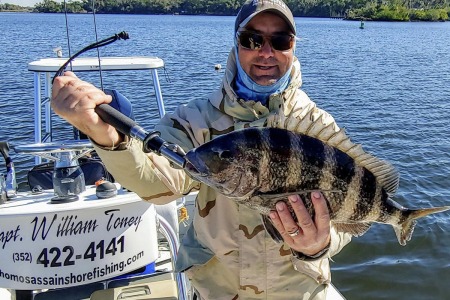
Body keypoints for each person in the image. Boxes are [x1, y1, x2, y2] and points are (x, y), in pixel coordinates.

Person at [51, 0, 352, 299]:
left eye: (280, 40)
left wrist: (321, 244)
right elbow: (158, 182)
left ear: (293, 46)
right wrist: (105, 135)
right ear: (236, 44)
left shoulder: (318, 125)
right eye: (252, 39)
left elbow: (352, 209)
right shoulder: (195, 120)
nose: (266, 52)